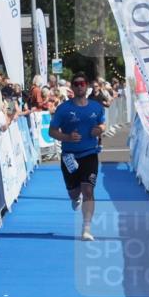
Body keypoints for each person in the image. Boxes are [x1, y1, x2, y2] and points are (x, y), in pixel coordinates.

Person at [48, 72, 106, 241]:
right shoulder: (63, 109)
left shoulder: (96, 107)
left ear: (87, 86)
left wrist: (100, 129)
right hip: (69, 156)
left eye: (83, 83)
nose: (80, 86)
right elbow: (51, 131)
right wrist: (67, 137)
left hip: (89, 154)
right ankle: (75, 197)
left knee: (88, 190)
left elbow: (102, 124)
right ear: (72, 87)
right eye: (76, 83)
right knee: (74, 193)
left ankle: (86, 228)